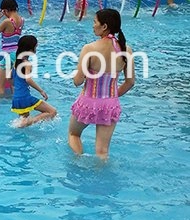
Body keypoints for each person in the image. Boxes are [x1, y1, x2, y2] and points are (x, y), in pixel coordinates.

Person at [68, 8, 135, 160]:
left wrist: (76, 75)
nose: (92, 25)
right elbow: (130, 82)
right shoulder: (126, 50)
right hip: (110, 104)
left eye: (94, 22)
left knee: (74, 134)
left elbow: (77, 82)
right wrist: (112, 95)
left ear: (104, 26)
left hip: (87, 102)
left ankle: (78, 162)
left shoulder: (90, 49)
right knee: (102, 152)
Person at [10, 35, 57, 127]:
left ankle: (25, 123)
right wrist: (41, 91)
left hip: (16, 98)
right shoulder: (27, 64)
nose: (36, 49)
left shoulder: (16, 62)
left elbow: (10, 78)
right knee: (52, 112)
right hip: (25, 97)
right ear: (30, 49)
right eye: (35, 47)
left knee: (22, 126)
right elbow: (28, 79)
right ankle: (29, 122)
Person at [0, 0, 24, 96]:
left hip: (7, 56)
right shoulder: (22, 20)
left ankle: (1, 108)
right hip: (17, 55)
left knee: (0, 87)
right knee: (13, 85)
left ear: (5, 10)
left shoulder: (7, 22)